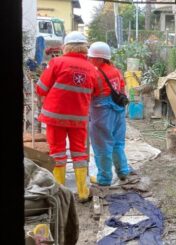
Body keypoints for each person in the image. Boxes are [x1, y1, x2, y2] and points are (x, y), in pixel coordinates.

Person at [35, 31, 98, 202]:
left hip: (55, 116)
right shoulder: (92, 68)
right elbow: (95, 92)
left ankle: (59, 193)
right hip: (78, 118)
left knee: (57, 152)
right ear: (85, 48)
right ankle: (83, 192)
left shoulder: (57, 62)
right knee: (79, 153)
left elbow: (40, 88)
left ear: (66, 46)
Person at [87, 41, 130, 186]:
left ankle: (104, 178)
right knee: (118, 143)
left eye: (91, 57)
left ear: (99, 58)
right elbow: (122, 89)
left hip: (101, 113)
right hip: (118, 111)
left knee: (102, 145)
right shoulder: (116, 70)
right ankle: (123, 171)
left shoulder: (95, 73)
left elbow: (89, 93)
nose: (89, 59)